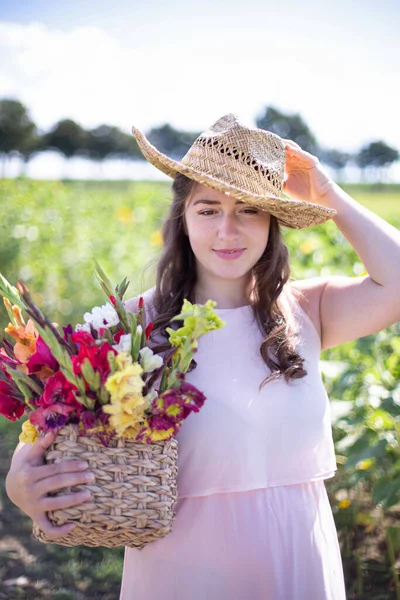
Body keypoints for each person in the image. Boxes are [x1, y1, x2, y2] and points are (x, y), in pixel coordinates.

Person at [5, 114, 400, 599]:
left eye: (249, 210)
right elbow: (41, 432)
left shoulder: (307, 310)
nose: (228, 230)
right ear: (183, 219)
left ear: (272, 222)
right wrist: (19, 483)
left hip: (299, 563)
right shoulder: (131, 325)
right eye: (208, 210)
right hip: (182, 571)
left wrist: (327, 193)